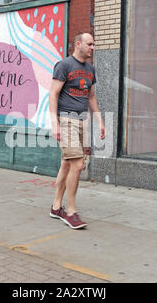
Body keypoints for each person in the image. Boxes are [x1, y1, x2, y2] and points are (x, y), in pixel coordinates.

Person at [49, 33, 106, 229]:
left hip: (82, 120)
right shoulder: (64, 65)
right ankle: (71, 212)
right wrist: (55, 122)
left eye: (93, 44)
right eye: (89, 44)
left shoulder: (90, 69)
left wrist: (100, 121)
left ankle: (56, 207)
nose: (93, 47)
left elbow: (91, 97)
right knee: (78, 164)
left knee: (67, 163)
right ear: (78, 44)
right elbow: (53, 93)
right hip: (66, 119)